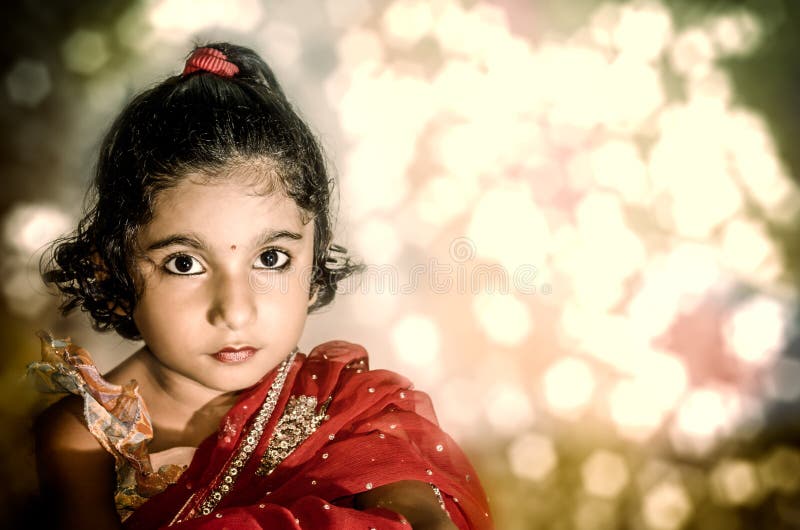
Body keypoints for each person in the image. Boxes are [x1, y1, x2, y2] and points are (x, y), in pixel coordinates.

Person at [29, 42, 493, 529]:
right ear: (114, 271)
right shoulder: (84, 438)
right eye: (184, 263)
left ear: (313, 266)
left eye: (271, 259)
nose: (235, 310)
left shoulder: (351, 411)